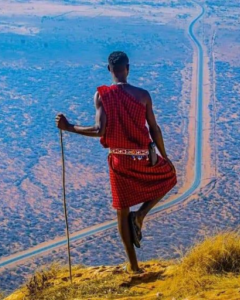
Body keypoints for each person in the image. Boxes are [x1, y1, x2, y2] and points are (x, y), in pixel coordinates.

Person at [55, 51, 177, 273]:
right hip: (143, 158)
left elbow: (99, 130)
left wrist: (69, 127)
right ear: (128, 68)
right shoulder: (143, 95)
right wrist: (165, 157)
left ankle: (133, 266)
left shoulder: (102, 95)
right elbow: (154, 128)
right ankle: (140, 215)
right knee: (170, 176)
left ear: (109, 69)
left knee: (122, 211)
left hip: (119, 160)